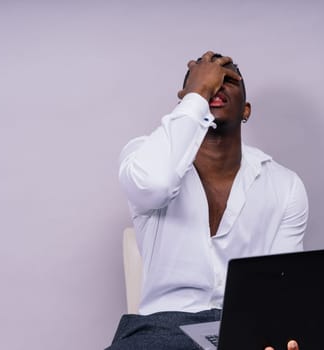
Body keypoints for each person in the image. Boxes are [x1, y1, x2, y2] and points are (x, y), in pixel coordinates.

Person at [110, 51, 309, 350]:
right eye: (205, 81)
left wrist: (275, 336)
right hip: (160, 330)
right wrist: (198, 96)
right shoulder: (144, 155)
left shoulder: (285, 185)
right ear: (186, 102)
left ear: (247, 109)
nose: (215, 85)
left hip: (246, 332)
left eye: (228, 79)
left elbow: (280, 288)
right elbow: (155, 184)